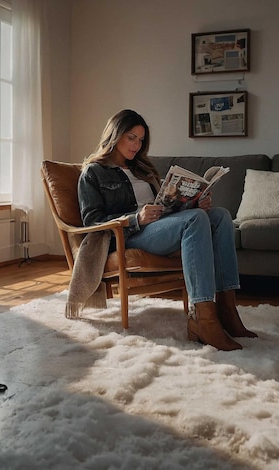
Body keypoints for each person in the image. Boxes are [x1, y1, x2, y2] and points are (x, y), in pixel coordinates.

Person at [77, 109, 257, 351]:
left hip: (160, 227)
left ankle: (226, 308)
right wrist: (135, 218)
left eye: (141, 140)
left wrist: (195, 202)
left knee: (220, 216)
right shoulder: (93, 172)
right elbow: (91, 222)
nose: (137, 145)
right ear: (115, 134)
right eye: (131, 137)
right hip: (131, 235)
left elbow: (167, 205)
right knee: (195, 220)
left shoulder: (144, 170)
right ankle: (203, 318)